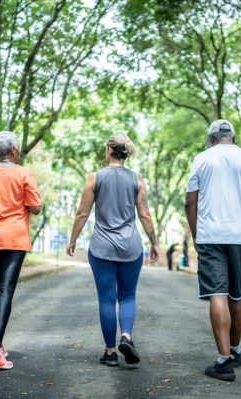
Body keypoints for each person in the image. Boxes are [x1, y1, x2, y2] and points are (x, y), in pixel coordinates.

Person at [185, 119, 241, 381]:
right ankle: (235, 351)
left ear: (211, 138)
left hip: (211, 236)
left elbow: (190, 202)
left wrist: (196, 236)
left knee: (217, 294)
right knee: (237, 294)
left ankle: (224, 362)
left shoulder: (201, 159)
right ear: (232, 137)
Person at [66, 133, 159, 367]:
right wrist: (154, 242)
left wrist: (73, 240)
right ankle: (126, 336)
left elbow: (82, 213)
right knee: (127, 296)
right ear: (125, 153)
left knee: (106, 300)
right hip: (131, 247)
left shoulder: (94, 178)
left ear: (109, 150)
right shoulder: (137, 179)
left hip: (101, 248)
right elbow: (145, 214)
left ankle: (110, 352)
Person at [0, 131, 42, 370]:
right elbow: (35, 208)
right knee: (5, 289)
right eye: (19, 146)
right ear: (13, 150)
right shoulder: (24, 172)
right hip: (13, 238)